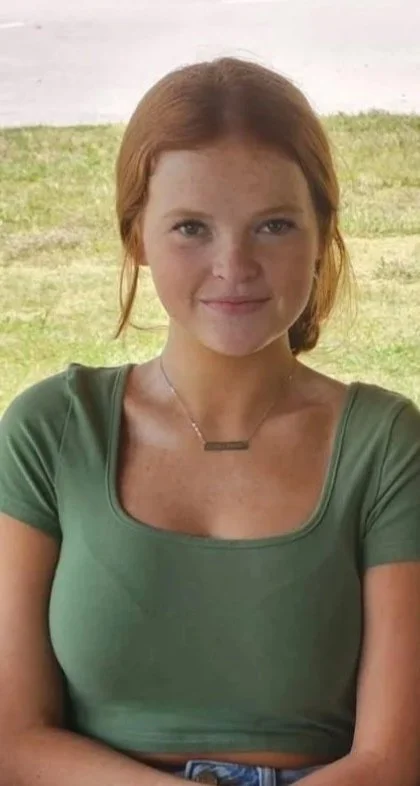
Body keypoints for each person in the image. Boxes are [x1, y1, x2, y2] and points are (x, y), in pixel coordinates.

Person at [0, 56, 419, 786]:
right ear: (136, 236)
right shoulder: (52, 431)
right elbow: (11, 736)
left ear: (323, 231)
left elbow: (392, 760)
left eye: (275, 226)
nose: (235, 265)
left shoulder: (386, 445)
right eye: (192, 227)